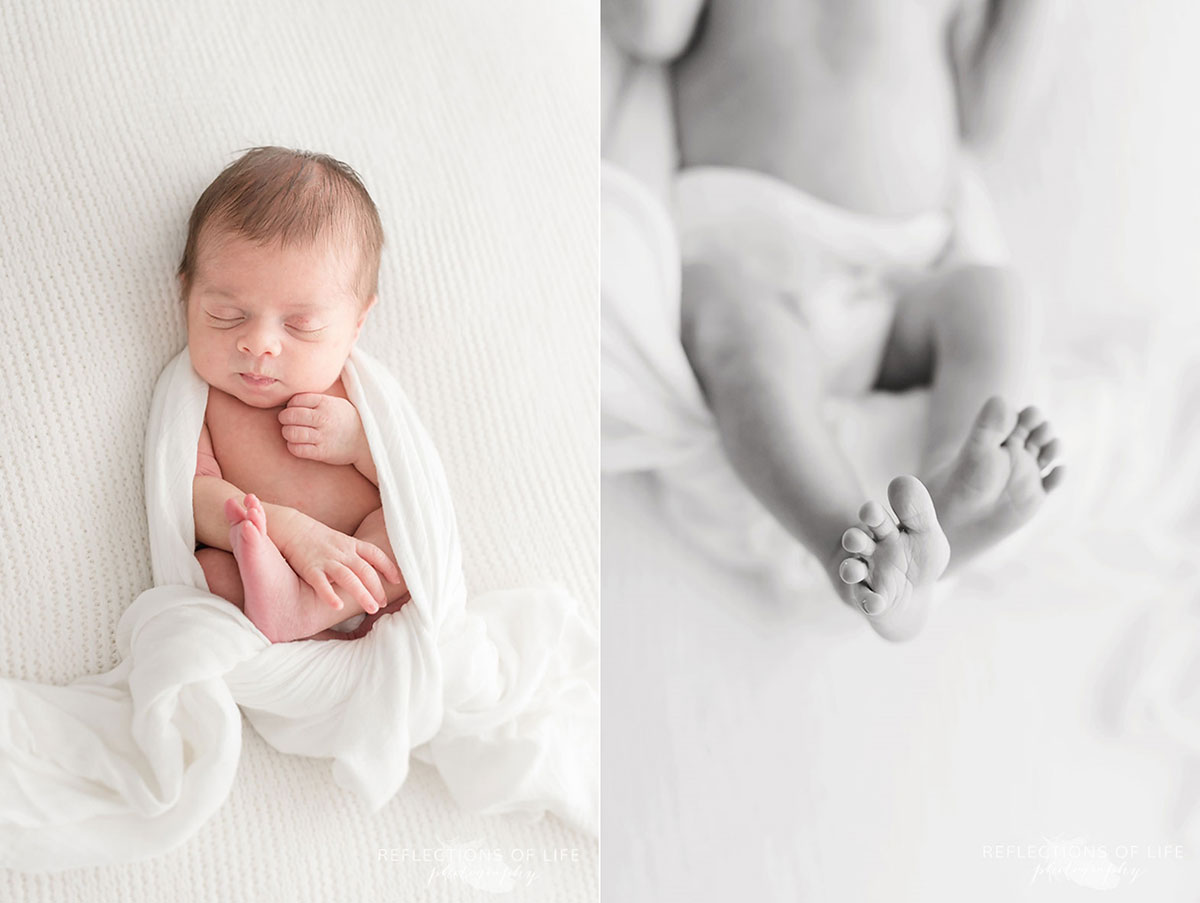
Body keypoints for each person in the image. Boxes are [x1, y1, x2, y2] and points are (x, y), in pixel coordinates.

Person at [603, 0, 1065, 640]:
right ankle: (847, 546)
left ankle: (946, 504)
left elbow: (986, 118)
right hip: (749, 257)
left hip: (901, 273)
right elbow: (649, 27)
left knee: (997, 300)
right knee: (743, 344)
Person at [184, 146, 408, 643]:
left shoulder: (354, 393)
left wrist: (358, 443)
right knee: (209, 574)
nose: (260, 344)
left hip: (362, 576)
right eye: (226, 315)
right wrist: (287, 532)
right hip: (265, 565)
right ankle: (292, 614)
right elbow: (193, 498)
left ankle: (311, 614)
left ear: (356, 324)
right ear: (186, 294)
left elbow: (410, 479)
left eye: (302, 325)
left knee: (406, 540)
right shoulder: (201, 403)